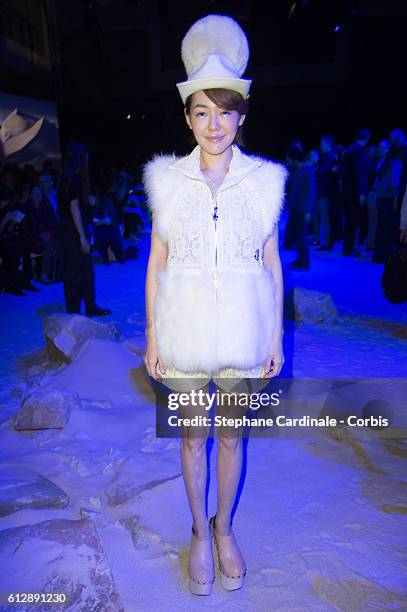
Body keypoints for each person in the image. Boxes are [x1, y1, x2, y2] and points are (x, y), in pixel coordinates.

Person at [142, 15, 286, 596]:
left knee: (231, 437)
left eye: (225, 111)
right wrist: (153, 334)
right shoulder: (167, 180)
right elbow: (156, 262)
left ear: (241, 116)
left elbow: (273, 264)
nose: (214, 123)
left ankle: (225, 528)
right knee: (191, 437)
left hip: (244, 332)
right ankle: (198, 532)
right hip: (182, 331)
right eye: (202, 111)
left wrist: (274, 337)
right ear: (187, 117)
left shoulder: (266, 181)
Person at [56, 143, 111, 316]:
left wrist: (88, 201)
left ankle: (88, 306)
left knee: (84, 270)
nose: (88, 159)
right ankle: (75, 311)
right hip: (72, 230)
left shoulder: (70, 175)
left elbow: (75, 203)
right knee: (75, 271)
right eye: (85, 155)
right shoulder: (74, 176)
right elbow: (73, 208)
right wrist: (82, 237)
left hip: (72, 227)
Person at [373, 130, 405, 263]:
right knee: (387, 226)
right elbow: (395, 180)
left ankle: (379, 255)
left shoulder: (387, 159)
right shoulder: (396, 157)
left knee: (382, 225)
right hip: (390, 196)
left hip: (382, 196)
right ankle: (385, 255)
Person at [284, 144, 315, 269]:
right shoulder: (294, 171)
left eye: (289, 159)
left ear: (294, 159)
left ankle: (305, 262)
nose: (288, 162)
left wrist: (308, 211)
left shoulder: (308, 170)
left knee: (302, 236)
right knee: (297, 236)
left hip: (303, 209)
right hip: (294, 208)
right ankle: (299, 259)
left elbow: (311, 192)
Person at [342, 129, 370, 256]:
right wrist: (362, 192)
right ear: (367, 138)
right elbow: (360, 173)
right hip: (356, 192)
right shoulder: (359, 151)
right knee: (354, 221)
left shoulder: (348, 151)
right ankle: (350, 248)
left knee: (349, 221)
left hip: (348, 191)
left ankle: (347, 248)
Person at [313, 134, 335, 250]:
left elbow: (321, 172)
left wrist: (316, 170)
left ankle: (326, 242)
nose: (320, 146)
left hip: (324, 192)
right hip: (318, 191)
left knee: (323, 217)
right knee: (317, 216)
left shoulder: (330, 157)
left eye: (322, 143)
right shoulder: (323, 157)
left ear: (328, 144)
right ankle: (317, 239)